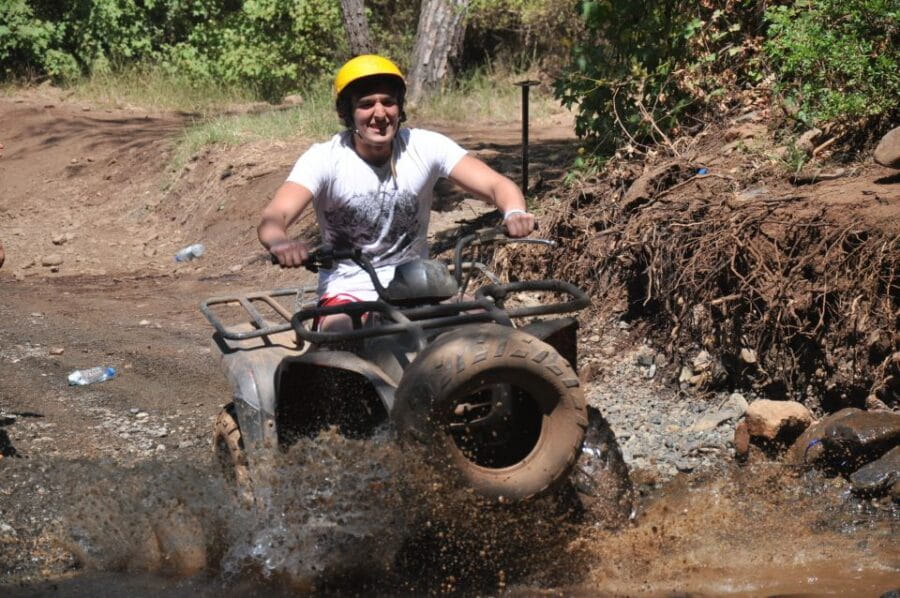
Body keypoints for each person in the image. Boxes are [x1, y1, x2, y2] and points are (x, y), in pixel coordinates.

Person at [258, 54, 534, 329]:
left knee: (492, 328)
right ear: (348, 112)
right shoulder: (324, 159)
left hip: (417, 287)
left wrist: (514, 212)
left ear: (399, 108)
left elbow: (497, 185)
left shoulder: (425, 146)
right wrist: (281, 242)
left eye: (388, 102)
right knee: (341, 335)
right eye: (366, 105)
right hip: (349, 293)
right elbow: (275, 215)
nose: (380, 114)